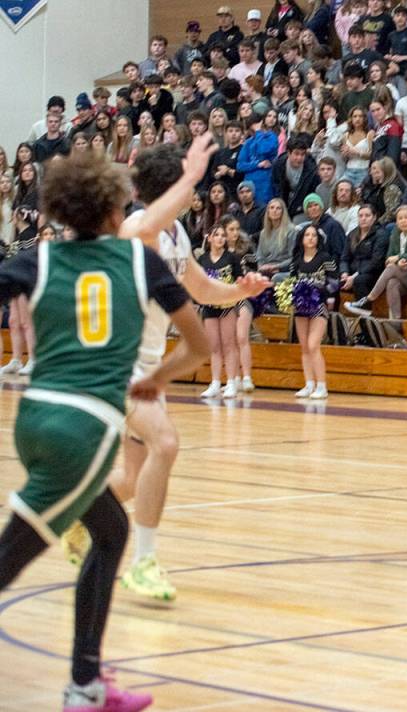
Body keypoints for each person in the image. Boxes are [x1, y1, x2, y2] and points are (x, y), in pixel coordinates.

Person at [0, 152, 210, 712]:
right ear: (117, 211)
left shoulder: (36, 259)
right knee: (9, 559)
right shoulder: (138, 262)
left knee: (110, 532)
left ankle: (86, 683)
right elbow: (200, 346)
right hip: (85, 425)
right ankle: (84, 686)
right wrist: (157, 379)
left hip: (34, 416)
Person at [60, 140, 270, 601]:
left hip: (145, 364)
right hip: (112, 364)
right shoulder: (137, 225)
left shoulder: (175, 235)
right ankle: (143, 563)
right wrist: (192, 175)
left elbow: (203, 289)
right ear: (177, 184)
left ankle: (77, 515)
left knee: (134, 480)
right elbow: (150, 222)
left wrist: (241, 290)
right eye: (189, 182)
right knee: (167, 443)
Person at [345, 204, 407, 319]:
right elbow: (389, 258)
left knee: (391, 269)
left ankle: (368, 299)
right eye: (400, 218)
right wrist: (398, 262)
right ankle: (395, 322)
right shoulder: (396, 234)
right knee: (392, 282)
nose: (403, 221)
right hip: (403, 276)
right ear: (396, 221)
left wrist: (401, 258)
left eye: (406, 218)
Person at [290, 224, 338, 399]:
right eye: (307, 235)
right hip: (301, 307)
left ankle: (322, 386)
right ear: (301, 239)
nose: (310, 238)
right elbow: (291, 283)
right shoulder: (296, 261)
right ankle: (309, 384)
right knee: (304, 347)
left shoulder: (325, 258)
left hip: (319, 306)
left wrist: (317, 290)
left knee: (313, 345)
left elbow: (334, 283)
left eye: (314, 235)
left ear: (318, 239)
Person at [197, 223, 244, 398]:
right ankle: (215, 382)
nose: (220, 238)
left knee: (229, 344)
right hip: (209, 307)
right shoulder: (202, 260)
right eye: (216, 235)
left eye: (223, 236)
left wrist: (230, 293)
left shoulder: (231, 258)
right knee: (214, 346)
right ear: (209, 238)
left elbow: (239, 281)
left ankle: (231, 382)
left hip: (227, 306)